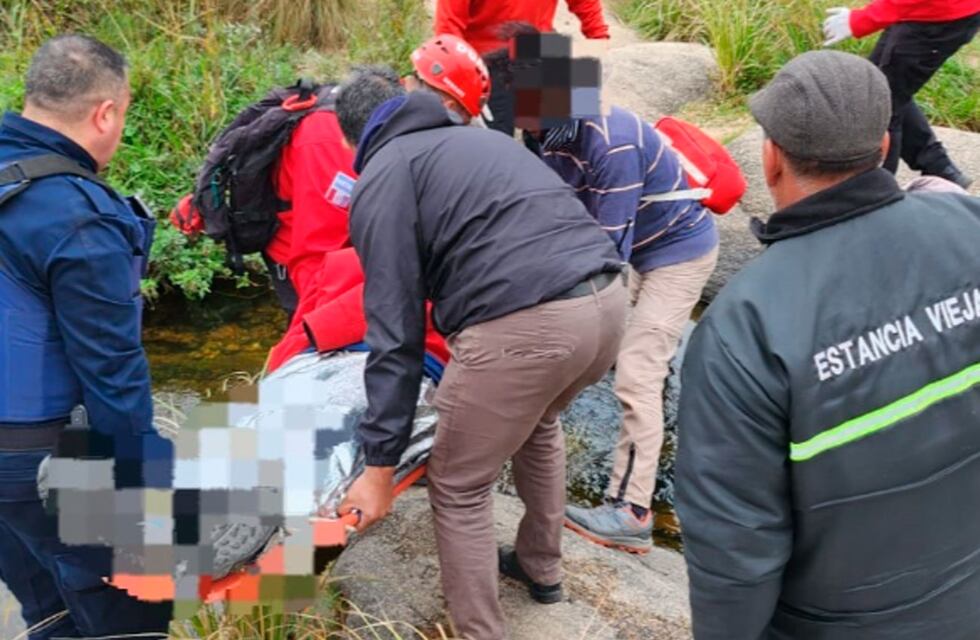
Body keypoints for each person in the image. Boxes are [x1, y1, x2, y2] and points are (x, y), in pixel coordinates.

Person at [676, 50, 980, 640]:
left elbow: (734, 546)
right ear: (884, 144)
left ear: (770, 157)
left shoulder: (747, 323)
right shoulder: (969, 227)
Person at [333, 68, 627, 640]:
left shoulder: (384, 175)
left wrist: (379, 466)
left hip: (530, 326)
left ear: (351, 138)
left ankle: (479, 632)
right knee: (540, 423)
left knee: (460, 485)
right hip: (609, 300)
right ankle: (541, 567)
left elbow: (394, 335)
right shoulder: (481, 137)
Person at [0, 35, 174, 638]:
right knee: (130, 618)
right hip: (43, 458)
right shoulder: (78, 215)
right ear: (106, 113)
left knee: (50, 613)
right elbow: (113, 372)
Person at [539, 106, 718, 554]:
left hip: (678, 254)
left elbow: (605, 256)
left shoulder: (613, 144)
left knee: (637, 374)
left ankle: (632, 512)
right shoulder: (549, 130)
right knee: (621, 353)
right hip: (643, 244)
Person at [266, 42, 488, 372]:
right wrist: (315, 333)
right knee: (309, 339)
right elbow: (315, 256)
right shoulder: (330, 144)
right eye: (458, 115)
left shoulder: (396, 126)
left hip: (346, 248)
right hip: (300, 251)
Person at [823, 0, 980, 188]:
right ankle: (938, 167)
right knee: (881, 88)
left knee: (882, 104)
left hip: (938, 17)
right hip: (926, 12)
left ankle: (878, 193)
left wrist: (863, 19)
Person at [434, 0, 610, 135]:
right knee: (494, 142)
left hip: (542, 46)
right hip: (487, 62)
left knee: (558, 141)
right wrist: (460, 78)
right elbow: (448, 25)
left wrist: (599, 37)